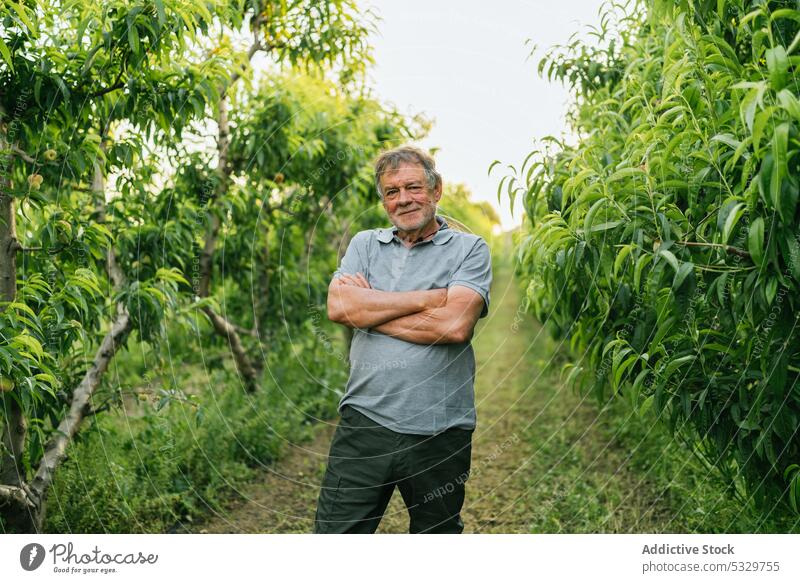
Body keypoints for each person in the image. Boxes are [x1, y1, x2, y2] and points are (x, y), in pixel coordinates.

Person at [312, 145, 493, 534]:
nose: (403, 199)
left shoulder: (470, 249)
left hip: (441, 429)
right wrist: (428, 299)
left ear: (436, 189)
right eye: (391, 192)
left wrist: (370, 313)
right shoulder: (364, 243)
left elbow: (454, 326)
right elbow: (339, 308)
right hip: (365, 421)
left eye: (413, 187)